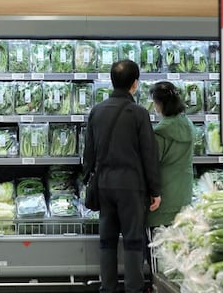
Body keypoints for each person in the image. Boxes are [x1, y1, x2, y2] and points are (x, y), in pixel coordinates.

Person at [83, 59, 161, 293]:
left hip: (104, 184)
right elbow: (149, 154)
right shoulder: (139, 113)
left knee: (106, 240)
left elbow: (88, 152)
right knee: (133, 240)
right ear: (135, 84)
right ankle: (133, 288)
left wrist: (88, 178)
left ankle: (107, 287)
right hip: (131, 186)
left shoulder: (97, 111)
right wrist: (155, 190)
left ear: (111, 81)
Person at [145, 81, 195, 273]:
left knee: (158, 249)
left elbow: (152, 164)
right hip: (183, 193)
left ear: (160, 104)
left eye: (154, 102)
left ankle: (158, 283)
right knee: (178, 250)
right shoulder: (188, 125)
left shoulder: (161, 133)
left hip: (162, 197)